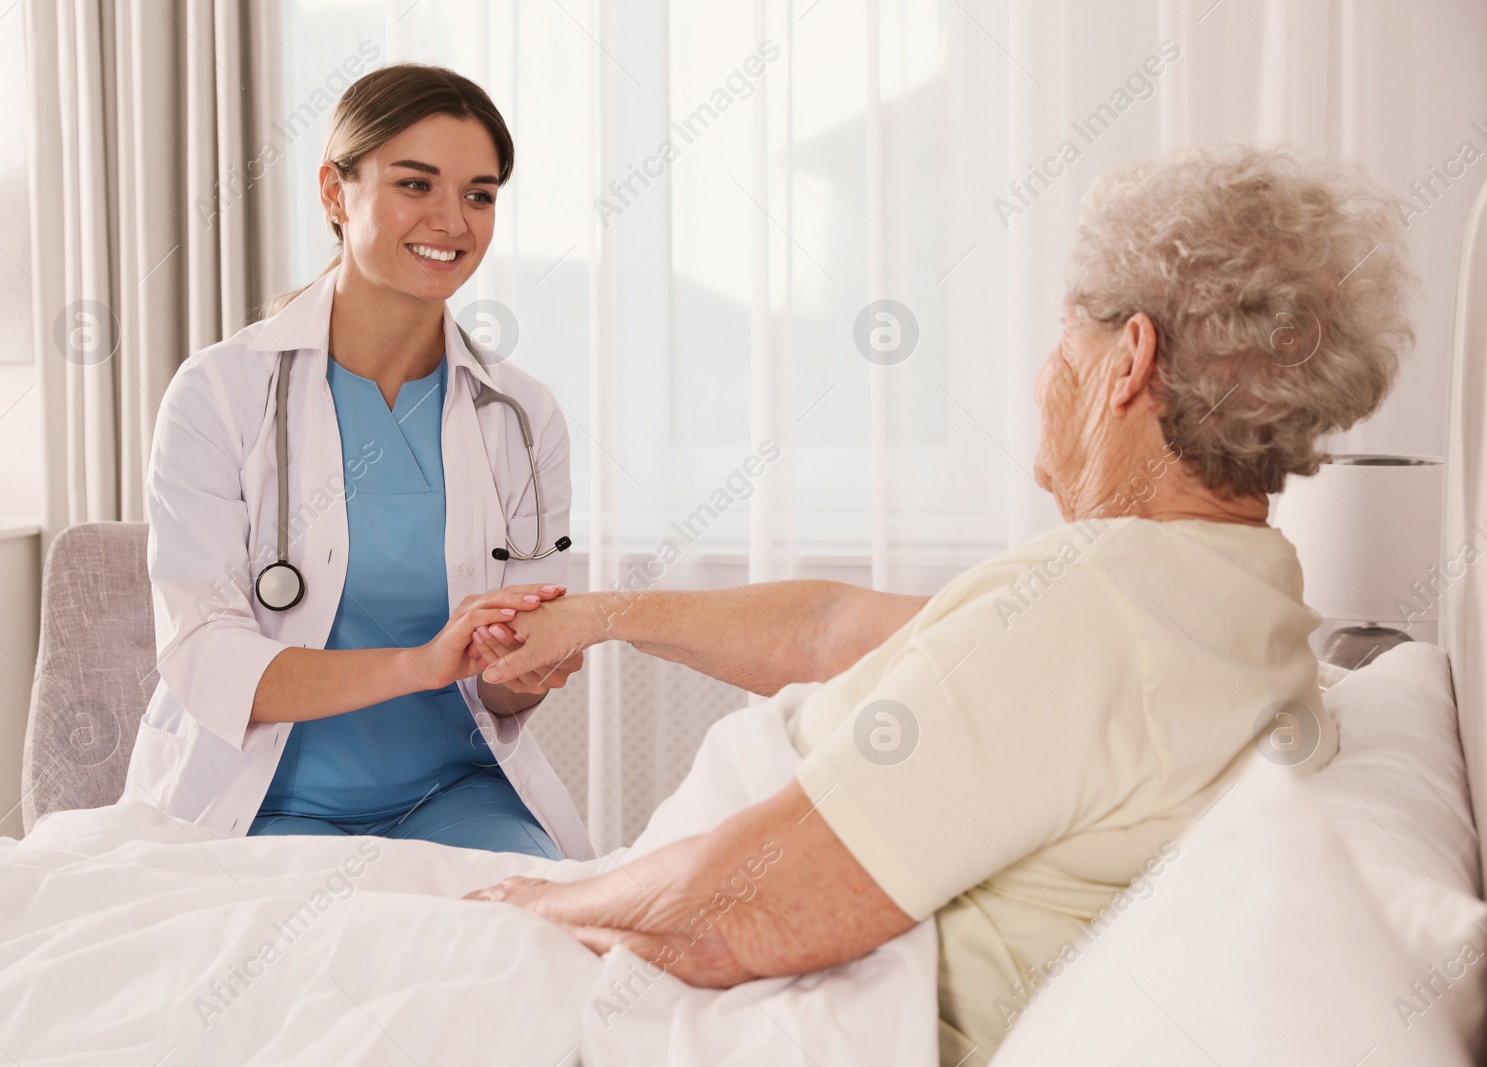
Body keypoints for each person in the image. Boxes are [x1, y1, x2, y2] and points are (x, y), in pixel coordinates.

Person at [464, 144, 1417, 1061]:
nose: (1045, 376)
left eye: (1065, 334)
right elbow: (831, 629)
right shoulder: (1233, 588)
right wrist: (604, 616)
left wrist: (542, 908)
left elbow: (740, 912)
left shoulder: (1100, 608)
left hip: (722, 1008)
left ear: (1129, 359)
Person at [120, 64, 588, 859]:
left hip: (457, 798)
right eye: (417, 184)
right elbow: (208, 658)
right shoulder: (220, 393)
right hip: (261, 801)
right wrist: (420, 663)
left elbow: (505, 688)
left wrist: (527, 667)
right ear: (336, 192)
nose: (453, 220)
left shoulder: (520, 414)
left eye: (479, 194)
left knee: (534, 940)